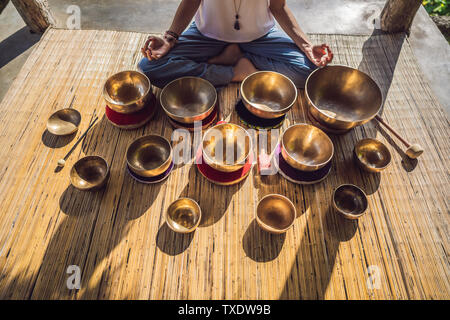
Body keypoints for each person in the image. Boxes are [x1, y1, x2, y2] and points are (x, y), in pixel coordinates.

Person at [138, 0, 333, 88]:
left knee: (312, 72)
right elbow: (191, 1)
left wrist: (307, 45)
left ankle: (237, 57)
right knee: (150, 67)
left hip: (260, 37)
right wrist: (170, 38)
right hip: (207, 35)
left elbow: (278, 6)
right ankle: (236, 72)